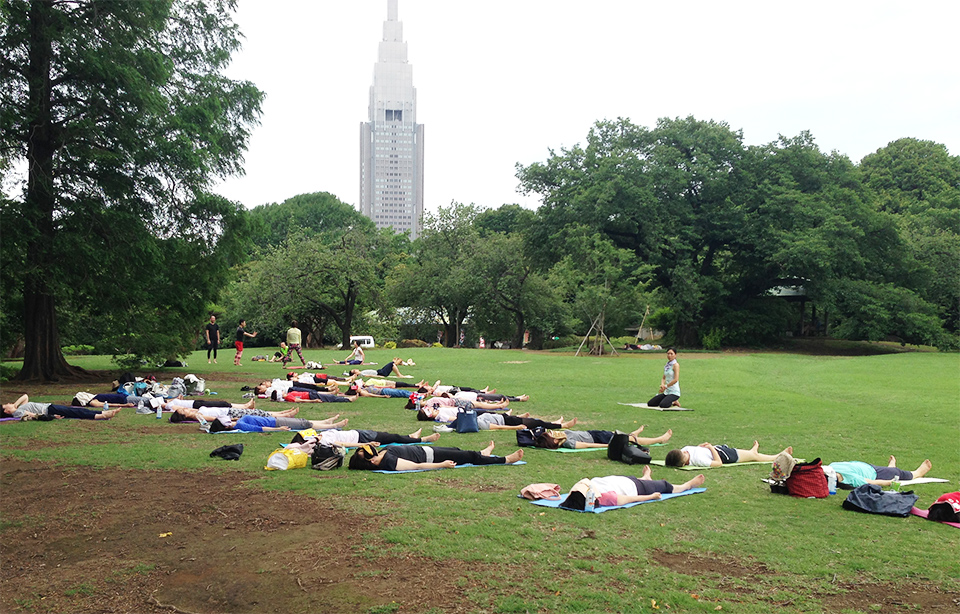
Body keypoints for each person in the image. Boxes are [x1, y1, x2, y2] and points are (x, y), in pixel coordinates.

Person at [558, 466, 706, 510]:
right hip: (638, 488)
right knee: (664, 486)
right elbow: (631, 499)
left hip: (623, 480)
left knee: (638, 479)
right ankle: (687, 485)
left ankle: (646, 477)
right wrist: (652, 496)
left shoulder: (578, 489)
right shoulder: (605, 498)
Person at [348, 440, 524, 471]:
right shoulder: (389, 462)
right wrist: (442, 465)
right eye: (367, 452)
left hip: (429, 450)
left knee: (459, 451)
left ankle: (482, 453)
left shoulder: (383, 455)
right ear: (370, 460)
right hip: (432, 457)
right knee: (469, 457)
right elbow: (416, 466)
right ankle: (506, 460)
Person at [826, 456, 932, 488]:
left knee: (891, 471)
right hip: (875, 474)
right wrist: (889, 482)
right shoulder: (849, 477)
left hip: (869, 469)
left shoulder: (834, 468)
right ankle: (916, 473)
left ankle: (891, 468)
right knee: (896, 472)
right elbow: (871, 482)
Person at [664, 441, 791, 468]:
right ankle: (779, 456)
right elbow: (718, 463)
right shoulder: (698, 460)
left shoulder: (684, 450)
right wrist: (710, 448)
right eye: (684, 455)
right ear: (685, 462)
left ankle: (753, 451)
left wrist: (702, 446)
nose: (685, 451)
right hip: (726, 456)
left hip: (721, 449)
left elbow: (693, 449)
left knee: (751, 454)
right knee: (755, 457)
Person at [535, 426, 673, 449]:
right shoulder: (568, 443)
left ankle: (632, 435)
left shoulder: (563, 436)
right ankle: (660, 439)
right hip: (598, 439)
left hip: (594, 433)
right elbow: (588, 445)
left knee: (624, 436)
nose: (554, 432)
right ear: (554, 441)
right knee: (629, 440)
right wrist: (608, 446)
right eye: (551, 434)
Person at [2, 394, 121, 421]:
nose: (8, 402)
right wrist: (52, 416)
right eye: (6, 404)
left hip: (50, 407)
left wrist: (15, 405)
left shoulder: (18, 407)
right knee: (75, 412)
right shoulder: (18, 412)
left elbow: (25, 396)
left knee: (76, 411)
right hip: (50, 410)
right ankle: (102, 415)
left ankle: (102, 413)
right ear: (6, 411)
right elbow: (34, 415)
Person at [312, 427, 440, 448]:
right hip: (362, 438)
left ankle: (410, 436)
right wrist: (366, 444)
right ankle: (422, 439)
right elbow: (344, 444)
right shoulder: (325, 440)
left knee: (389, 436)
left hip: (359, 433)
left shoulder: (322, 434)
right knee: (393, 437)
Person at [208, 414, 348, 433]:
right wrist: (279, 429)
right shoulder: (240, 426)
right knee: (304, 424)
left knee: (302, 421)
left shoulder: (236, 423)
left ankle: (325, 422)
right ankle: (333, 426)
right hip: (275, 423)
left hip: (274, 419)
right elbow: (260, 429)